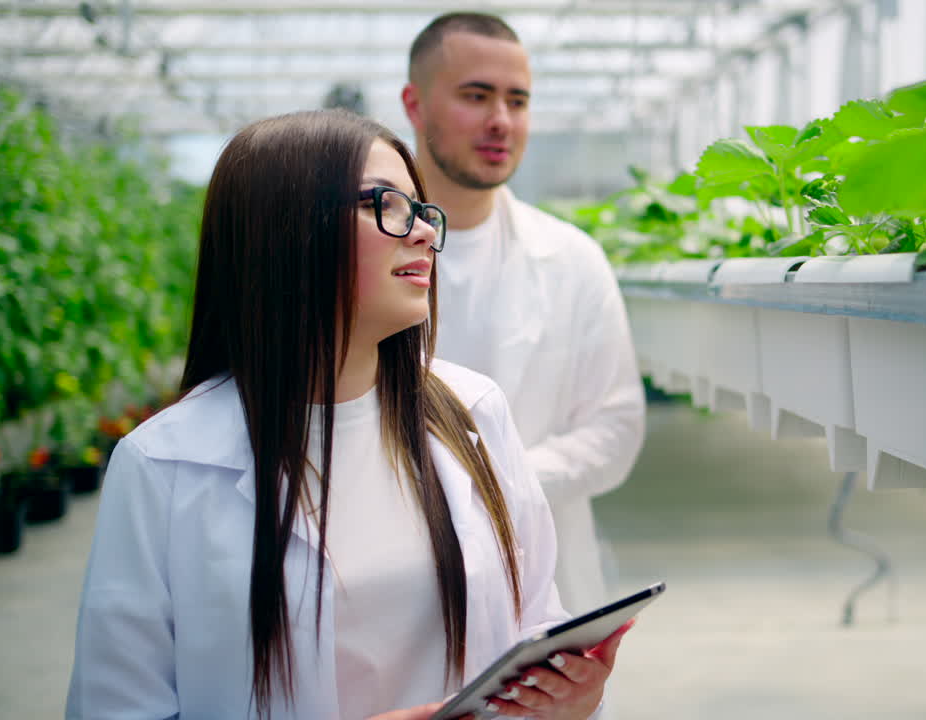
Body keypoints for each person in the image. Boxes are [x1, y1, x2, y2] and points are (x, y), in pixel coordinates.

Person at [65, 109, 630, 720]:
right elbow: (115, 709)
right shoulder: (163, 465)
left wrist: (570, 698)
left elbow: (534, 619)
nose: (422, 233)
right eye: (385, 204)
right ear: (283, 230)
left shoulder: (474, 413)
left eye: (421, 210)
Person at [401, 13, 646, 616]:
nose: (500, 121)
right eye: (476, 96)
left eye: (518, 100)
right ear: (415, 104)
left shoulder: (571, 259)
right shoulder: (357, 252)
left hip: (541, 575)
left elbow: (616, 429)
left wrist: (488, 483)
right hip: (395, 568)